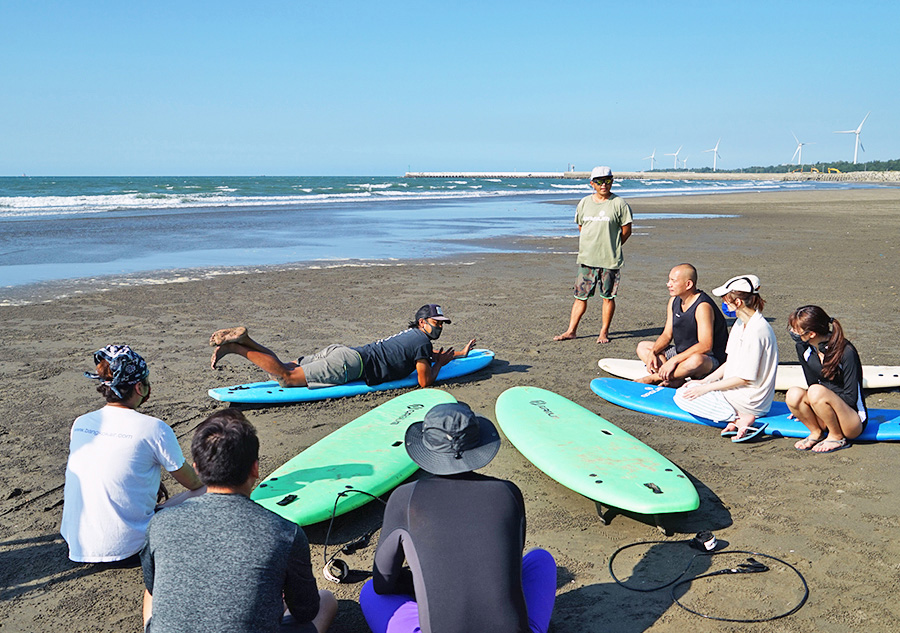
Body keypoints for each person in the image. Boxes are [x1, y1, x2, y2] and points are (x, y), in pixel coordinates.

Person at [359, 403, 556, 633]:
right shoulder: (508, 492)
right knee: (541, 559)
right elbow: (511, 562)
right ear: (477, 444)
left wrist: (423, 583)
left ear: (426, 447)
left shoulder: (405, 498)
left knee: (370, 592)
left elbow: (383, 584)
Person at [140, 408, 337, 633]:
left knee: (151, 592)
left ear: (197, 469)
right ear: (255, 468)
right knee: (327, 600)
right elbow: (306, 610)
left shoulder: (160, 522)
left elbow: (154, 587)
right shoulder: (284, 532)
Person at [60, 345, 205, 564]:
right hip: (129, 549)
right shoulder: (154, 428)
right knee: (210, 487)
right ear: (139, 387)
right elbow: (193, 483)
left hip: (77, 544)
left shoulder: (81, 423)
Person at [210, 304, 476, 389]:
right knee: (286, 377)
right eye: (436, 322)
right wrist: (439, 364)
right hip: (350, 365)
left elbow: (427, 356)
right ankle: (237, 348)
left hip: (344, 352)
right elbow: (424, 381)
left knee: (288, 367)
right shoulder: (421, 342)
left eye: (443, 324)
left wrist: (460, 354)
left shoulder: (413, 338)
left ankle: (246, 341)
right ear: (422, 322)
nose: (440, 327)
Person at [673, 275, 778, 442]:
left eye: (725, 300)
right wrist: (704, 382)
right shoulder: (740, 323)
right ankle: (733, 416)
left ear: (737, 303)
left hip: (750, 399)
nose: (723, 304)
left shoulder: (757, 330)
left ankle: (737, 419)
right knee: (688, 389)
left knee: (681, 397)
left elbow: (744, 378)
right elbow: (731, 362)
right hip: (736, 392)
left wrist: (707, 389)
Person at [554, 166, 633, 344]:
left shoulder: (619, 204)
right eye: (599, 181)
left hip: (610, 261)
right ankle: (571, 331)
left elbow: (626, 231)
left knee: (608, 297)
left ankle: (603, 332)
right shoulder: (584, 203)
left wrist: (612, 246)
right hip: (587, 259)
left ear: (612, 181)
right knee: (580, 297)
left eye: (607, 180)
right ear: (592, 184)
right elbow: (582, 227)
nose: (603, 185)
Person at [786, 305, 867, 453]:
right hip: (825, 413)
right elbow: (811, 383)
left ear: (811, 334)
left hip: (852, 419)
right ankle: (816, 432)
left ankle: (836, 436)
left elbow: (851, 397)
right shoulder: (803, 348)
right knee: (793, 394)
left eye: (796, 329)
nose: (792, 332)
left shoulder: (846, 351)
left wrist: (823, 400)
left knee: (816, 392)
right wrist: (807, 407)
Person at [635, 264, 728, 387]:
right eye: (669, 280)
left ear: (688, 284)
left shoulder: (702, 307)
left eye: (673, 281)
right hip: (681, 353)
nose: (668, 284)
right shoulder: (674, 301)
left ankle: (656, 377)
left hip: (708, 359)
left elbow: (706, 346)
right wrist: (653, 352)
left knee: (696, 361)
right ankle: (675, 378)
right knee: (643, 347)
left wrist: (674, 360)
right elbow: (667, 335)